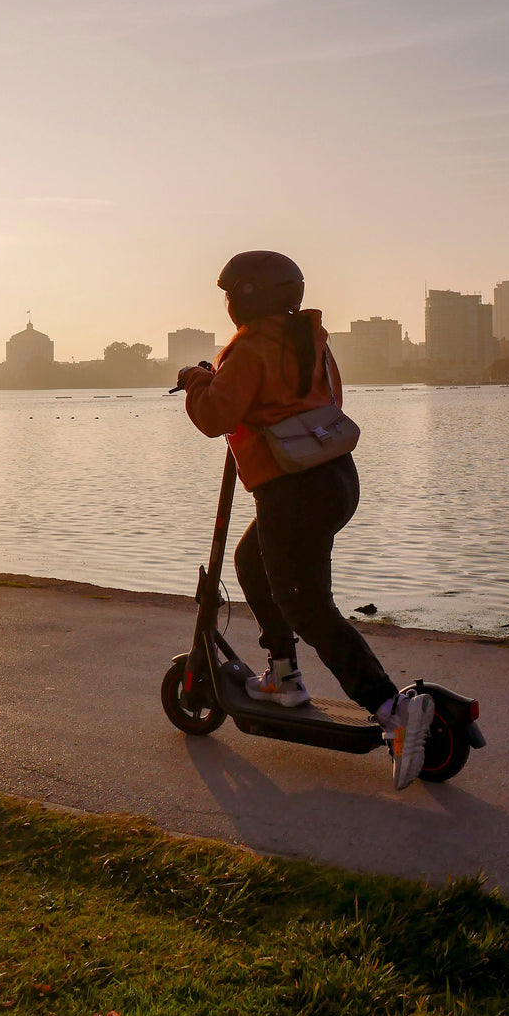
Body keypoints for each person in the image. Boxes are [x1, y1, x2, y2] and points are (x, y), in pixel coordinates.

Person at [177, 250, 434, 790]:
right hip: (336, 478)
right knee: (251, 562)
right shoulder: (310, 339)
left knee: (310, 608)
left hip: (293, 492)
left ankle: (391, 709)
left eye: (230, 294)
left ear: (250, 296)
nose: (226, 304)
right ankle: (284, 675)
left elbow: (215, 417)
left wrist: (197, 381)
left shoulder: (249, 348)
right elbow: (318, 400)